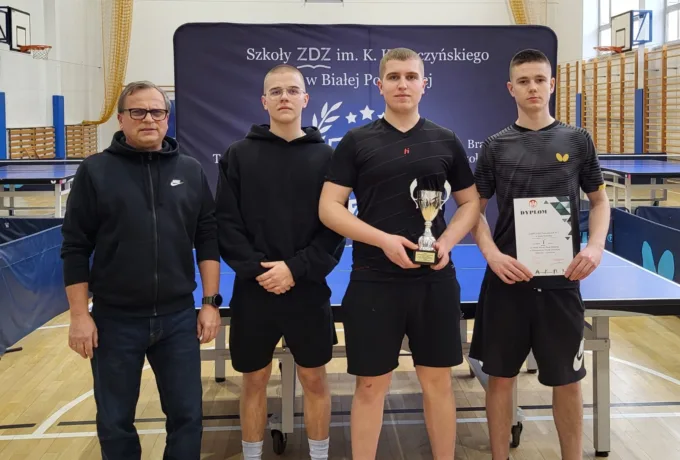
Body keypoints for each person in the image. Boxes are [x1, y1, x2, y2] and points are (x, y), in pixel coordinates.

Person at [318, 48, 481, 459]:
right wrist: (383, 240)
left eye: (411, 76)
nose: (403, 84)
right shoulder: (356, 141)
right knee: (370, 385)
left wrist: (447, 242)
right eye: (394, 77)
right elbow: (329, 208)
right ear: (380, 85)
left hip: (434, 282)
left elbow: (470, 203)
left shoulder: (445, 139)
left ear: (425, 84)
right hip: (373, 280)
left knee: (438, 382)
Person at [61, 81, 222, 460]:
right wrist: (79, 315)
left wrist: (210, 303)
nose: (148, 119)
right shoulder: (95, 171)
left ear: (167, 118)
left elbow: (207, 237)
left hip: (178, 319)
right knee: (115, 422)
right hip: (115, 321)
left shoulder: (190, 170)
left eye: (157, 111)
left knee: (187, 418)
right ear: (121, 119)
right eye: (138, 111)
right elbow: (75, 247)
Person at [469, 49, 610, 460]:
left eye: (539, 79)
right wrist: (492, 254)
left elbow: (599, 201)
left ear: (552, 84)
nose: (532, 87)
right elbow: (473, 210)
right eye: (524, 81)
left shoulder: (577, 140)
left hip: (561, 280)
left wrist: (595, 246)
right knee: (500, 378)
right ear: (510, 88)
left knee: (567, 380)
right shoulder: (495, 146)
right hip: (507, 279)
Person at [215, 64, 345, 460]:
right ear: (264, 101)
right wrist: (261, 271)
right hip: (254, 293)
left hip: (308, 290)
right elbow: (227, 224)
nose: (284, 97)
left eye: (292, 90)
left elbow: (335, 228)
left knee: (314, 379)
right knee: (254, 381)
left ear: (305, 99)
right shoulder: (238, 155)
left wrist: (295, 269)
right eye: (276, 91)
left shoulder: (328, 157)